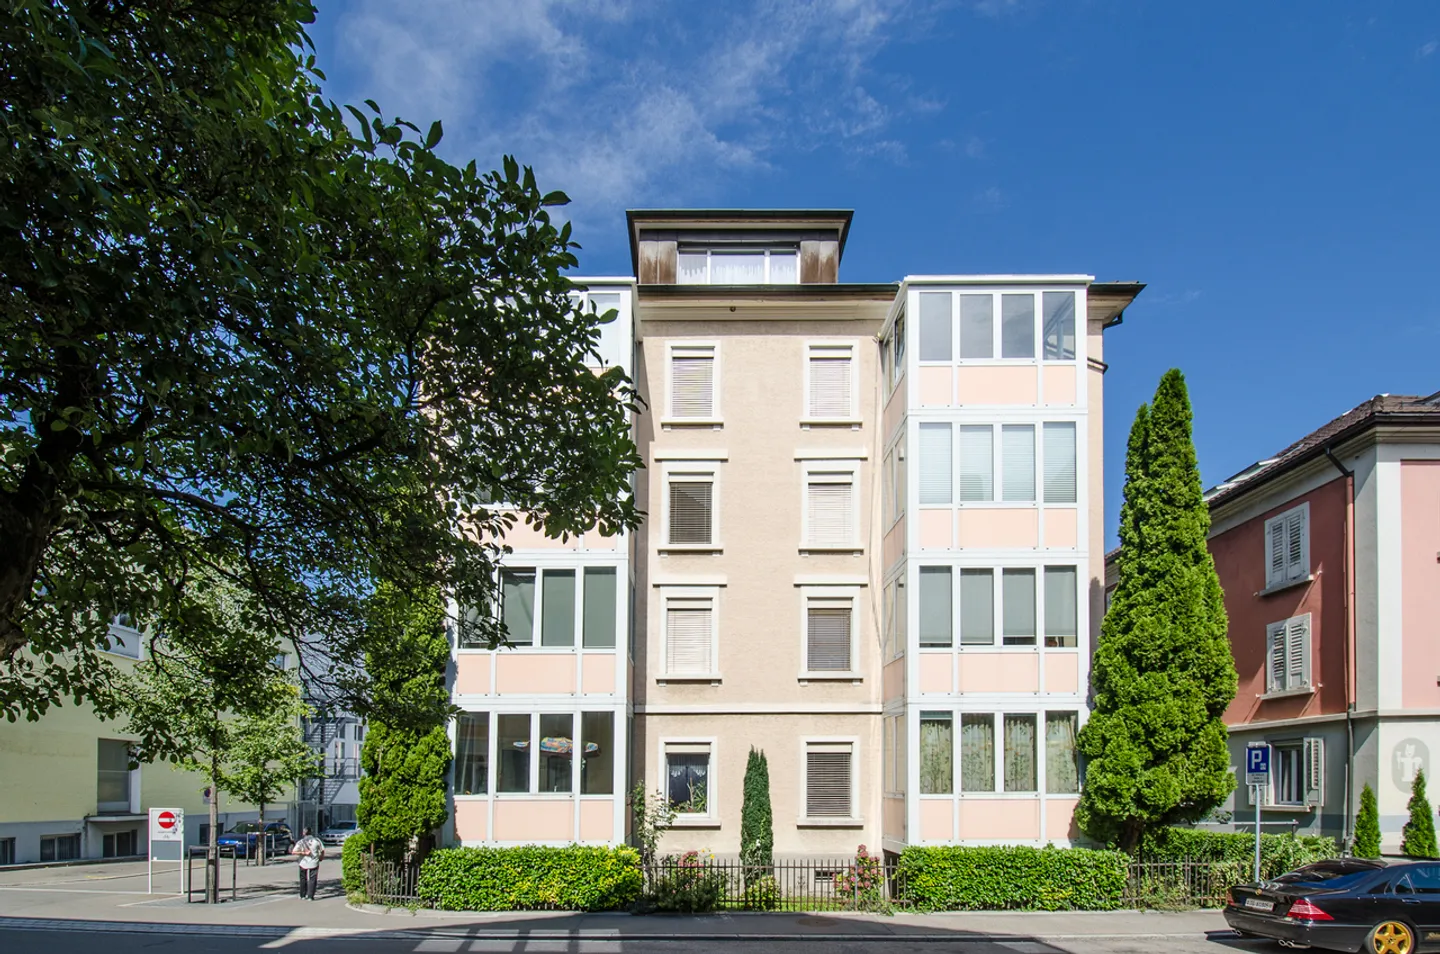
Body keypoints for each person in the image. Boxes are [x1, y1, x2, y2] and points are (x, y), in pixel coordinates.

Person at [292, 827, 324, 900]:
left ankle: (302, 895)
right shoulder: (317, 840)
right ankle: (310, 896)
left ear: (304, 833)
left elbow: (293, 852)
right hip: (314, 862)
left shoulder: (301, 842)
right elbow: (322, 850)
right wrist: (321, 857)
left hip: (303, 862)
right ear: (311, 832)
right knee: (313, 879)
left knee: (303, 878)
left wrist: (303, 853)